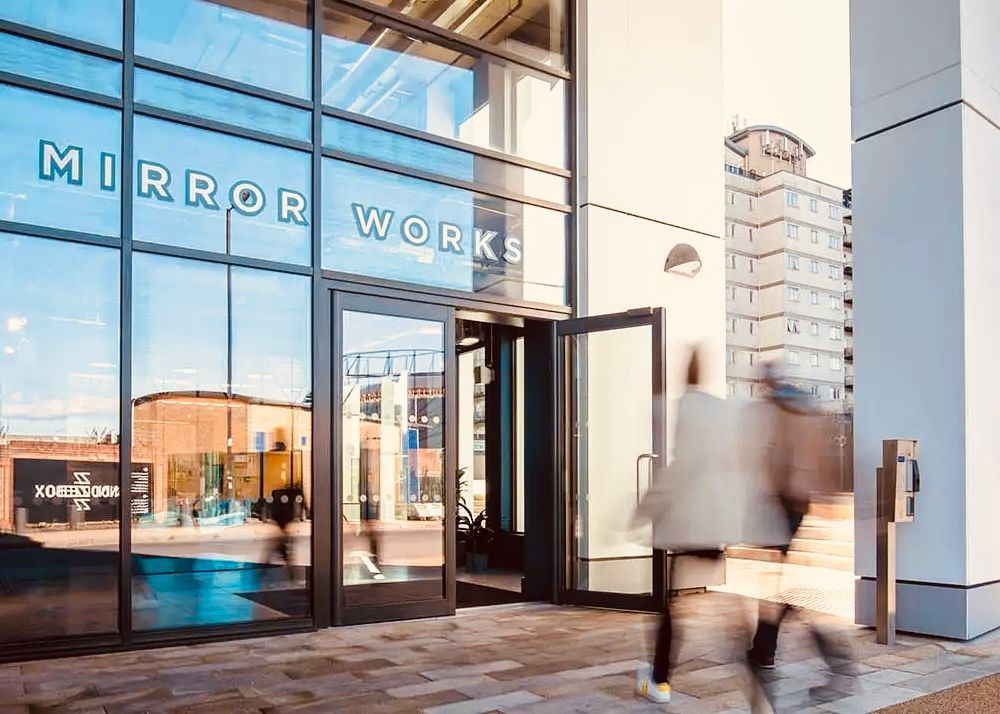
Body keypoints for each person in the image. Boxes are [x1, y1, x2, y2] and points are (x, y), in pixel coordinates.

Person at [631, 348, 788, 704]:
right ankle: (751, 669)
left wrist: (645, 510)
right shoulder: (722, 411)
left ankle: (660, 680)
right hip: (719, 522)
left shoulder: (688, 409)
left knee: (670, 605)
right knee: (722, 606)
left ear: (685, 373)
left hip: (691, 524)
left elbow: (682, 466)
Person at [746, 367, 846, 691]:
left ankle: (835, 659)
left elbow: (778, 459)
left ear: (772, 382)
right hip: (800, 502)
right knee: (776, 584)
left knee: (780, 589)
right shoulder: (808, 408)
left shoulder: (783, 409)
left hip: (783, 502)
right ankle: (763, 649)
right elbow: (821, 457)